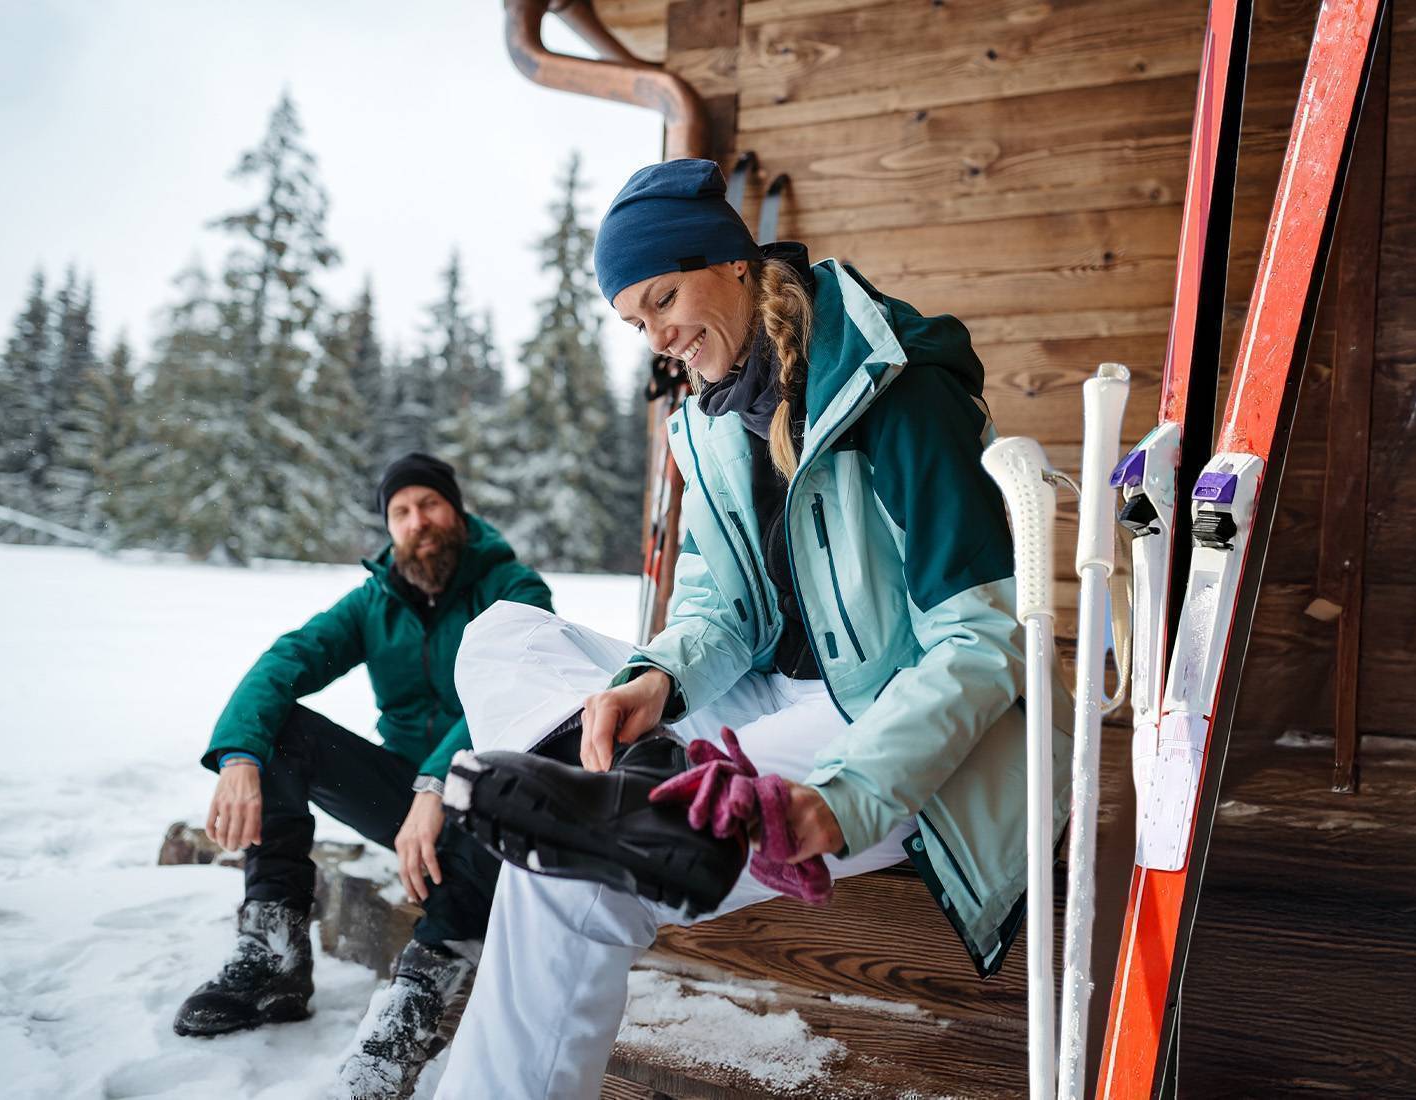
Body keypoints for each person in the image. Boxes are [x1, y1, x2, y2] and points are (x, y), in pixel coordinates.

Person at [425, 158, 1037, 1100]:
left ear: (734, 262)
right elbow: (724, 608)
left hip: (888, 719)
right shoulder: (712, 422)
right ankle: (617, 779)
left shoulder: (895, 391)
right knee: (497, 632)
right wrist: (654, 682)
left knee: (567, 879)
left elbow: (981, 643)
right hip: (771, 696)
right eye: (637, 321)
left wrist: (848, 795)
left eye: (664, 297)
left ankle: (628, 815)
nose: (659, 338)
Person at [176, 452, 550, 1100]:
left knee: (486, 842)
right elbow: (283, 663)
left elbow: (512, 696)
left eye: (430, 505)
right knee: (282, 734)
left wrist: (438, 784)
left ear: (457, 513)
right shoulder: (373, 602)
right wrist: (240, 757)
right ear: (389, 527)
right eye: (401, 512)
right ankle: (275, 956)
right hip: (403, 798)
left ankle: (414, 1006)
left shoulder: (515, 590)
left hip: (494, 784)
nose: (417, 521)